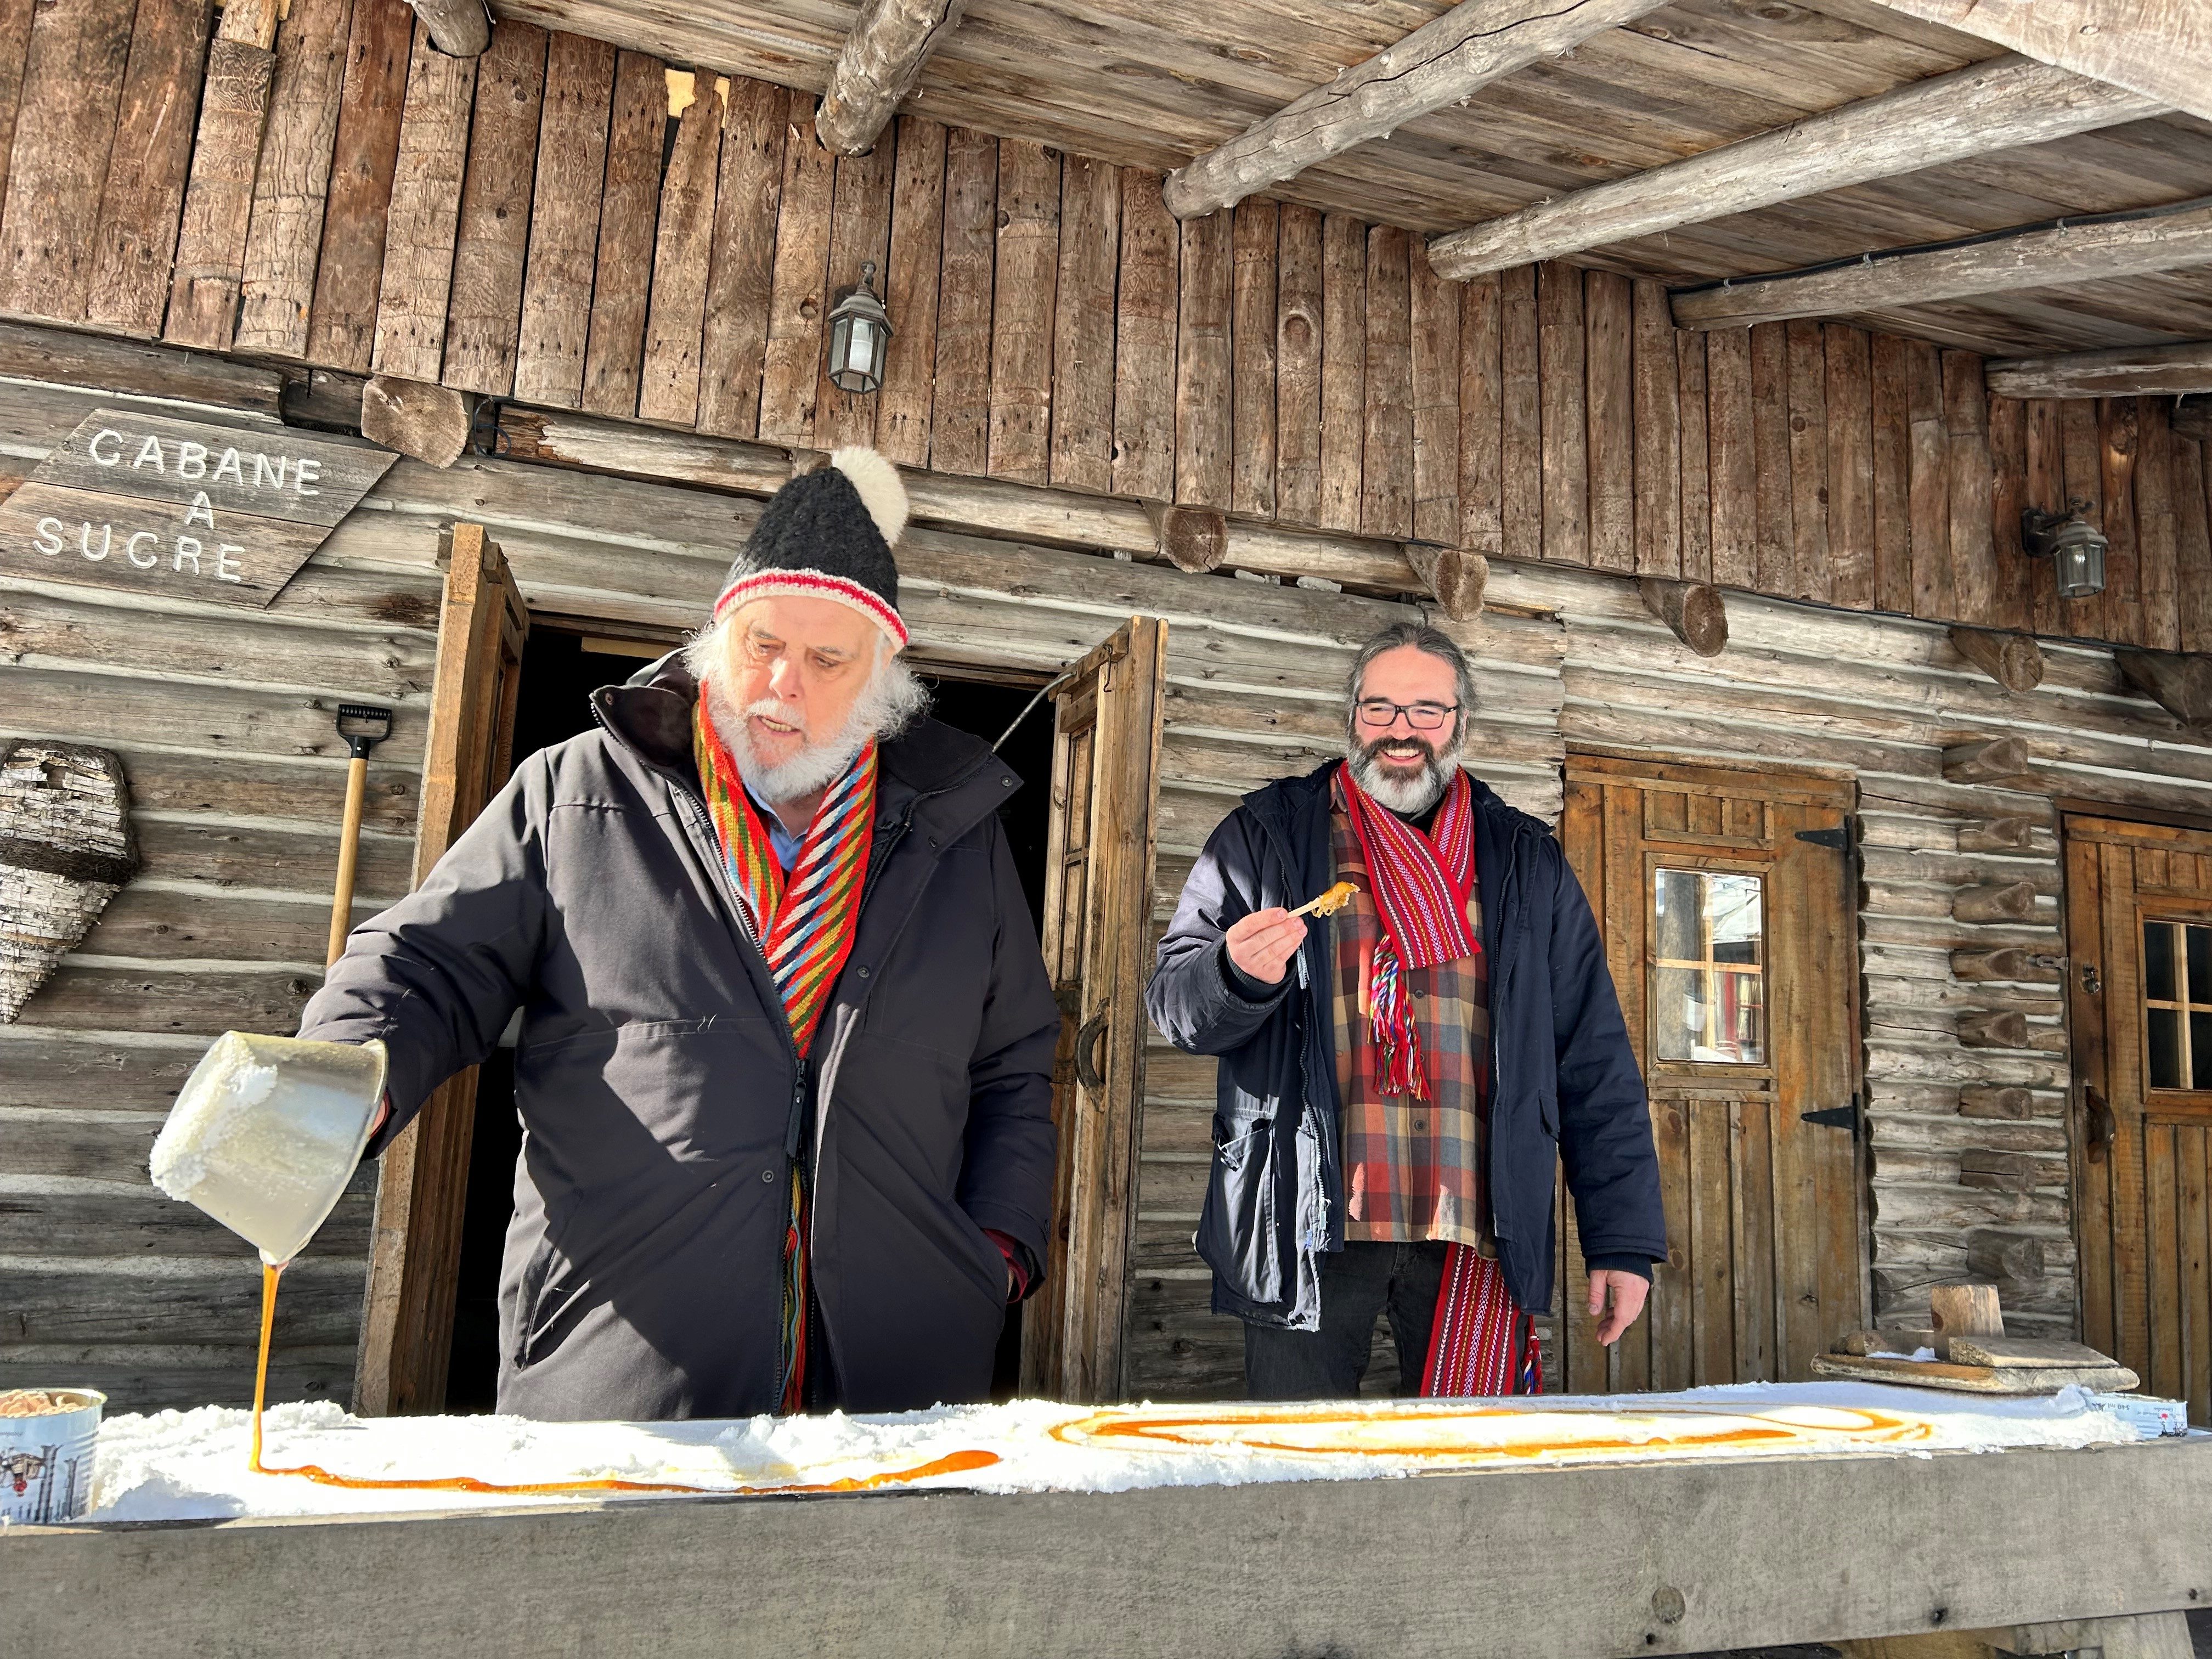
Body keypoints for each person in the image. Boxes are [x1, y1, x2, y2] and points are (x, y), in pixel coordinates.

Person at [300, 449, 1058, 1421]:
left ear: (882, 682)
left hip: (899, 1379)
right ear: (717, 638)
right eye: (762, 645)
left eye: (828, 661)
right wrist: (344, 1066)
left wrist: (996, 1252)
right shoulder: (574, 793)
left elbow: (1013, 1064)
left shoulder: (956, 838)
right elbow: (427, 963)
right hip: (623, 1372)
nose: (784, 683)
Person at [1146, 621, 1666, 1400]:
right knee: (1303, 1470)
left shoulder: (1526, 861)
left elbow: (1591, 1056)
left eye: (1427, 711)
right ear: (1351, 717)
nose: (1402, 731)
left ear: (1461, 723)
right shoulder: (1266, 836)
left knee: (1473, 1481)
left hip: (1477, 1231)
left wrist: (1621, 1240)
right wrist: (1233, 974)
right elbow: (1175, 1005)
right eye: (1381, 708)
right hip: (1307, 1223)